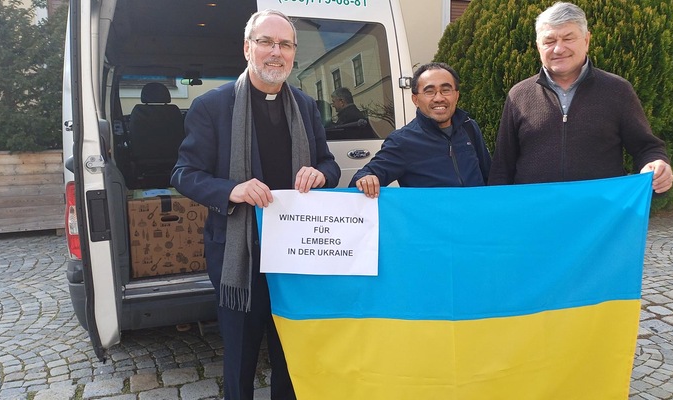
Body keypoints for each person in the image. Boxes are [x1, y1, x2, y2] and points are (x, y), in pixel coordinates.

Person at [171, 9, 340, 400]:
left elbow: (329, 164)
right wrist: (233, 190)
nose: (276, 52)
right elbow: (183, 174)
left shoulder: (306, 105)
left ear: (293, 53)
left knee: (291, 351)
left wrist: (320, 174)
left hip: (295, 254)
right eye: (266, 42)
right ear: (248, 48)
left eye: (285, 45)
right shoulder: (212, 106)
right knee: (241, 356)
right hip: (240, 253)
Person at [488, 1, 673, 193]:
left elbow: (646, 148)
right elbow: (502, 166)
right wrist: (496, 205)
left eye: (568, 38)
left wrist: (656, 165)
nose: (558, 49)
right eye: (549, 41)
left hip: (600, 208)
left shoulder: (617, 90)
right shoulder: (519, 95)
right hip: (536, 209)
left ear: (586, 40)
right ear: (538, 46)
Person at [349, 62, 491, 197]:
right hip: (432, 215)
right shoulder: (403, 141)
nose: (439, 98)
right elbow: (363, 177)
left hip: (476, 213)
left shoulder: (469, 127)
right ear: (415, 100)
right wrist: (366, 178)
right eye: (429, 92)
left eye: (446, 90)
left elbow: (489, 176)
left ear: (457, 95)